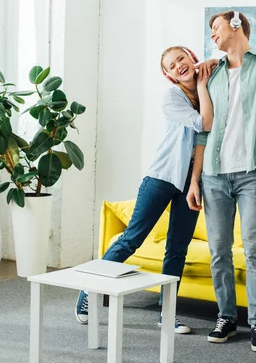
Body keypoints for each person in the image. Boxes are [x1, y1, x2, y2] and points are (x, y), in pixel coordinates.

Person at [75, 46, 216, 333]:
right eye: (171, 65)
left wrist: (194, 181)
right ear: (168, 75)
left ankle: (167, 314)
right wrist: (202, 82)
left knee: (177, 249)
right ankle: (88, 289)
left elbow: (204, 135)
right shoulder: (173, 97)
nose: (179, 66)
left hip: (191, 181)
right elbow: (205, 122)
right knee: (131, 239)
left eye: (182, 59)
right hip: (161, 177)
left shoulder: (207, 91)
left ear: (192, 58)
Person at [186, 11, 256, 353]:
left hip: (254, 174)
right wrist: (194, 179)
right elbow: (203, 129)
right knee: (218, 251)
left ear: (235, 26)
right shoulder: (212, 73)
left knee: (255, 249)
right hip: (214, 176)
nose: (212, 34)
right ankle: (226, 317)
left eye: (215, 27)